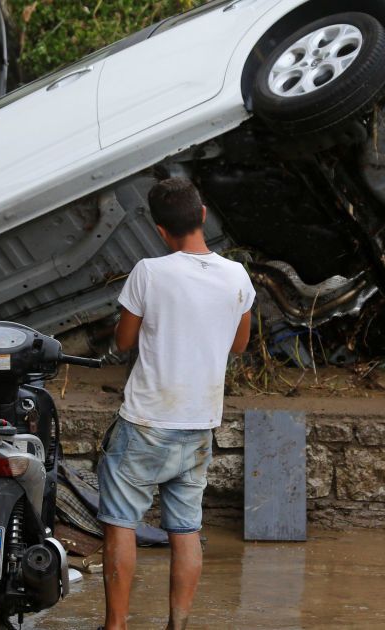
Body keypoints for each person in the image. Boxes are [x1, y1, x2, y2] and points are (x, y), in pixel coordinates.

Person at [97, 177, 254, 630]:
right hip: (199, 424)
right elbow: (239, 344)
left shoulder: (149, 271)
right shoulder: (237, 277)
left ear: (161, 231)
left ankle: (117, 626)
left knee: (121, 522)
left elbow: (124, 341)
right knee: (185, 530)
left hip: (146, 420)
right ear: (203, 215)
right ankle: (178, 625)